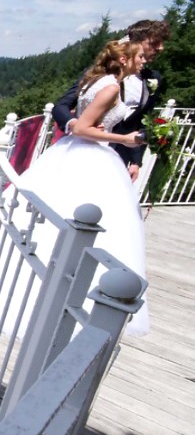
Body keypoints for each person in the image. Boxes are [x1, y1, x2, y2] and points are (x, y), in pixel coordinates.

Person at [22, 39, 150, 335]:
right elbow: (81, 127)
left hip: (72, 151)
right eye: (140, 57)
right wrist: (126, 140)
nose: (144, 62)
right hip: (91, 153)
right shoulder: (111, 88)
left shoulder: (97, 80)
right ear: (124, 60)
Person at [51, 20, 171, 181]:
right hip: (88, 150)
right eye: (155, 42)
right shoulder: (101, 75)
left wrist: (136, 161)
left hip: (119, 159)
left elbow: (143, 121)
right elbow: (61, 106)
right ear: (135, 42)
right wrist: (75, 124)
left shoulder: (153, 79)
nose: (161, 48)